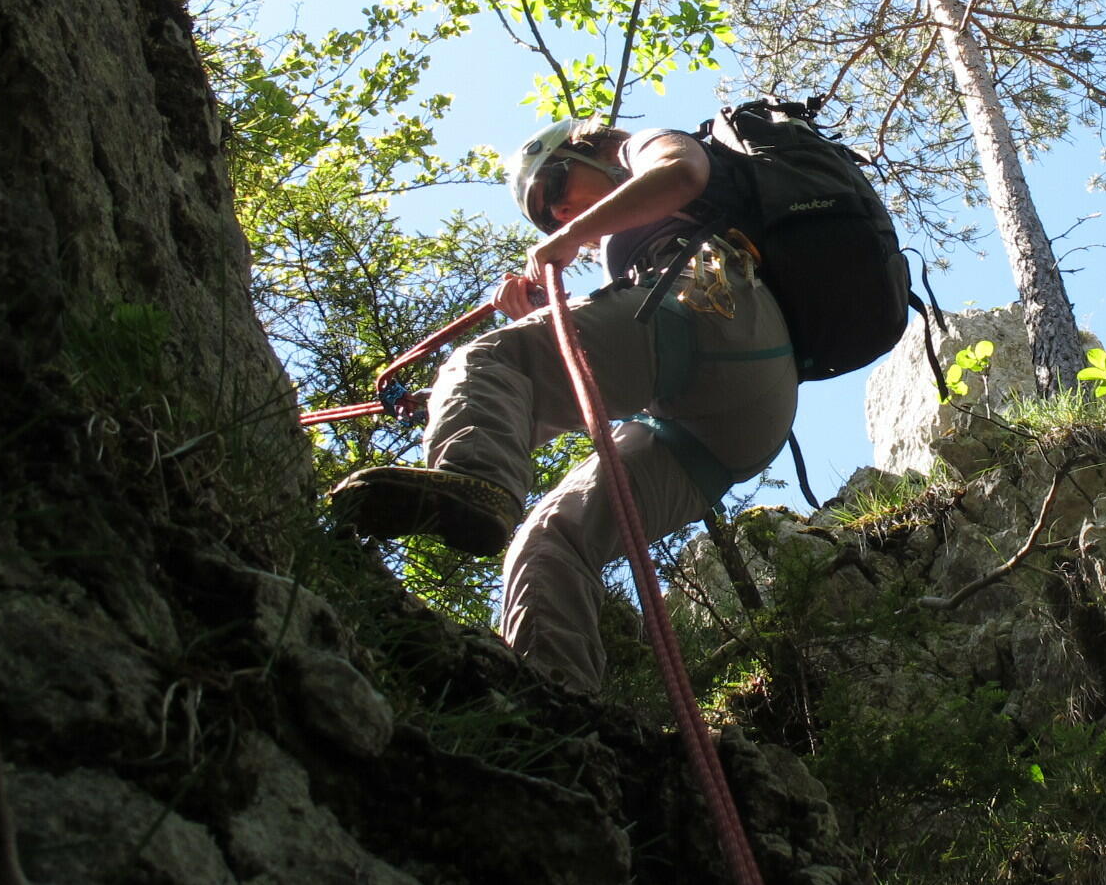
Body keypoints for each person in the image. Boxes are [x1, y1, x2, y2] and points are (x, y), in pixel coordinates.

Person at [329, 118, 797, 693]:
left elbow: (682, 173)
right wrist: (499, 358)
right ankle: (556, 697)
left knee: (490, 358)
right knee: (552, 537)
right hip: (734, 424)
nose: (556, 214)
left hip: (713, 311)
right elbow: (573, 370)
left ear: (589, 148)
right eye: (544, 218)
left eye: (552, 188)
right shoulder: (630, 250)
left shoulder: (638, 147)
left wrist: (564, 244)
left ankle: (476, 481)